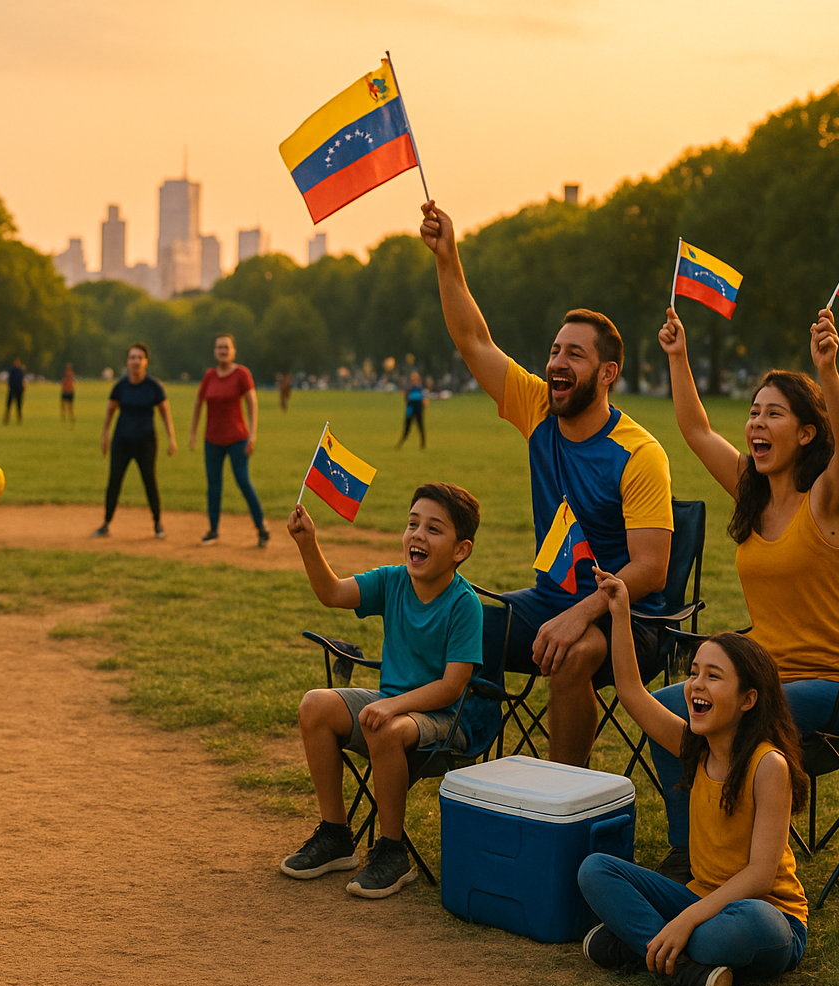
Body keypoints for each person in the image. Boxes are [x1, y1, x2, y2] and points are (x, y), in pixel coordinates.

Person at [420, 199, 673, 768]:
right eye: (555, 350)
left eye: (574, 355)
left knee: (573, 652)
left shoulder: (639, 453)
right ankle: (469, 758)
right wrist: (447, 257)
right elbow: (474, 341)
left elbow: (652, 568)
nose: (557, 362)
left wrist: (581, 612)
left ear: (607, 374)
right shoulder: (538, 409)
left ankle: (563, 796)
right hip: (548, 599)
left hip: (630, 618)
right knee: (467, 621)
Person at [646, 306, 839, 883]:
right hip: (765, 676)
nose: (756, 424)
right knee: (671, 708)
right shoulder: (753, 491)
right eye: (753, 414)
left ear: (805, 433)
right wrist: (678, 356)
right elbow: (697, 431)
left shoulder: (827, 499)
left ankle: (745, 864)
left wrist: (828, 370)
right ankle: (688, 853)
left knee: (726, 721)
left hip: (835, 682)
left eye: (774, 414)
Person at [578, 570, 808, 986]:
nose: (696, 685)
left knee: (732, 931)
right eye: (694, 672)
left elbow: (760, 877)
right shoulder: (693, 749)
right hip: (700, 899)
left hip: (765, 915)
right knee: (595, 870)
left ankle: (642, 942)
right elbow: (630, 691)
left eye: (714, 676)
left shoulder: (768, 765)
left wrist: (684, 920)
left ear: (748, 699)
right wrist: (620, 611)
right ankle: (686, 971)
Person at [280, 484, 484, 898]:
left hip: (448, 719)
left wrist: (394, 707)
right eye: (412, 524)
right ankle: (336, 836)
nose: (417, 535)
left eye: (433, 528)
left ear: (460, 550)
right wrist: (307, 543)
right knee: (315, 705)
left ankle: (392, 851)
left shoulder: (465, 604)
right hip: (391, 705)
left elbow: (452, 686)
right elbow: (332, 593)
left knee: (386, 728)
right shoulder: (393, 581)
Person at [189, 334, 269, 548]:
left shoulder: (242, 374)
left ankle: (261, 527)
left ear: (234, 351)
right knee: (213, 485)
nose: (222, 350)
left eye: (226, 347)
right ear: (214, 351)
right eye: (219, 347)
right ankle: (213, 530)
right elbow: (198, 403)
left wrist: (253, 435)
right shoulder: (209, 376)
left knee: (243, 481)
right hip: (212, 439)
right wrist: (193, 433)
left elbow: (252, 403)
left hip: (237, 439)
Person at [92, 343, 176, 539]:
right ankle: (106, 523)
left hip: (146, 441)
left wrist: (172, 438)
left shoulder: (154, 387)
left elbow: (165, 414)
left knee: (149, 480)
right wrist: (105, 435)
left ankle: (157, 523)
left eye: (139, 358)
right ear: (127, 362)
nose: (135, 361)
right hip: (122, 440)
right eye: (132, 357)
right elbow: (110, 411)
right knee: (114, 480)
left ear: (146, 362)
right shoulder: (120, 386)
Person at [397, 370, 427, 448]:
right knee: (407, 426)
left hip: (418, 408)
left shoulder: (420, 387)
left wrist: (424, 402)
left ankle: (423, 443)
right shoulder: (409, 386)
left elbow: (424, 398)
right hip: (411, 408)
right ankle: (401, 442)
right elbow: (405, 396)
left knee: (420, 426)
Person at [4, 357, 26, 424]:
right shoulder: (12, 371)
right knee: (9, 404)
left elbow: (23, 381)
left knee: (18, 405)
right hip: (12, 389)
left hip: (19, 389)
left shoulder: (20, 371)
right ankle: (7, 418)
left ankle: (19, 418)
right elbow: (9, 380)